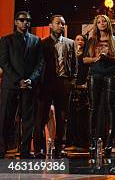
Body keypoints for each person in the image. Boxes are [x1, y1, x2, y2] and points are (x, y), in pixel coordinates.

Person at [0, 11, 44, 158]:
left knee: (28, 120)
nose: (25, 22)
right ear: (15, 22)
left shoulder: (36, 40)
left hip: (29, 86)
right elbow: (4, 63)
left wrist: (31, 79)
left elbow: (40, 63)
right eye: (22, 20)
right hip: (11, 85)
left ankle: (25, 151)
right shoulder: (6, 40)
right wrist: (18, 80)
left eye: (28, 20)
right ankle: (2, 149)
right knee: (6, 118)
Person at [83, 14, 115, 157]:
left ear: (108, 24)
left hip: (110, 74)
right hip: (95, 75)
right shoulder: (91, 41)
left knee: (111, 108)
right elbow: (84, 59)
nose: (102, 24)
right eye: (99, 22)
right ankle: (92, 143)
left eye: (104, 21)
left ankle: (109, 144)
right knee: (92, 108)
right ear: (96, 25)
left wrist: (109, 58)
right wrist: (96, 58)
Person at [34, 15, 77, 158]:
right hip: (46, 83)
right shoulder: (43, 43)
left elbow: (74, 64)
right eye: (58, 23)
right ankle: (39, 149)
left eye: (63, 23)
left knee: (62, 117)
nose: (61, 26)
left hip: (63, 83)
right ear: (51, 25)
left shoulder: (70, 43)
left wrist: (72, 81)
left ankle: (59, 148)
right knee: (41, 117)